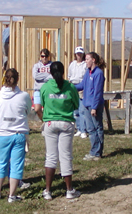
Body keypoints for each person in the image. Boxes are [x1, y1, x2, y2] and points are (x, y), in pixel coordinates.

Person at [40, 61, 81, 200]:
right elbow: (76, 104)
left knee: (51, 157)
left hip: (50, 123)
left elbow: (42, 105)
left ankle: (48, 191)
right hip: (66, 122)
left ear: (50, 72)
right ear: (64, 72)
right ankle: (69, 190)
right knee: (65, 156)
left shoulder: (45, 87)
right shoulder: (70, 87)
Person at [0, 68, 32, 203]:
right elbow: (28, 110)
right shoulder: (24, 95)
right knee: (16, 164)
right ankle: (12, 195)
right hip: (19, 133)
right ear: (17, 79)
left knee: (2, 162)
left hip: (2, 133)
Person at [75, 52, 105, 161]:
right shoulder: (88, 72)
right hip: (86, 104)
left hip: (94, 106)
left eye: (87, 59)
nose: (85, 61)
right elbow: (82, 85)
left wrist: (94, 107)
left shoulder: (98, 73)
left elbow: (98, 92)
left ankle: (97, 153)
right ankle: (94, 151)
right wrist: (70, 87)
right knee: (90, 129)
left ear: (93, 60)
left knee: (97, 128)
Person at [68, 46, 87, 139]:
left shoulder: (85, 64)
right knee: (75, 111)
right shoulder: (72, 64)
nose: (79, 55)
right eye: (77, 54)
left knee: (82, 110)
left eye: (80, 54)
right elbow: (69, 76)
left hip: (82, 86)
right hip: (73, 86)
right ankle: (78, 129)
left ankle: (83, 130)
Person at [32, 49, 53, 121]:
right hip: (38, 90)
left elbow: (52, 77)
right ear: (40, 56)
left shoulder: (52, 65)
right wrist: (47, 75)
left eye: (46, 56)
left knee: (49, 109)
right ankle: (44, 121)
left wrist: (41, 77)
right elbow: (35, 76)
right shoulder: (36, 66)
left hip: (49, 90)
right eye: (42, 56)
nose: (44, 58)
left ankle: (48, 123)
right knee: (37, 109)